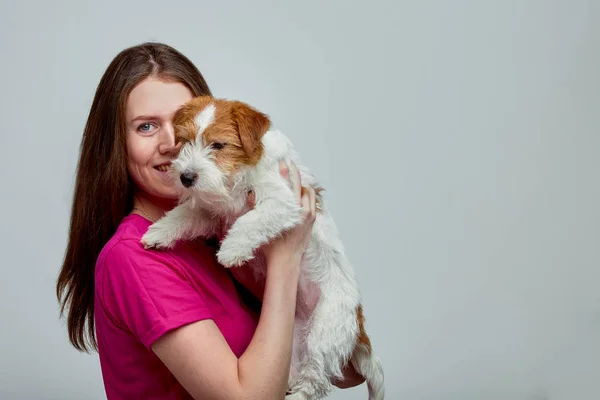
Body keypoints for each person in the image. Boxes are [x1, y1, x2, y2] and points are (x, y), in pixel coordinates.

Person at [56, 42, 365, 399]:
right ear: (115, 144)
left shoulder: (215, 234)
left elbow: (346, 372)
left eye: (183, 120)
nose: (173, 143)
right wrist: (285, 256)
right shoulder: (134, 257)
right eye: (146, 127)